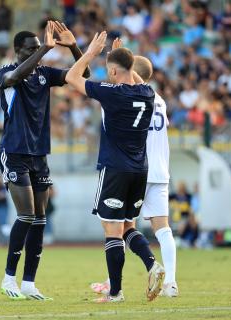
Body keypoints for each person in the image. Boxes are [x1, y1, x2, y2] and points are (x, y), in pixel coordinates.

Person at [65, 32, 164, 303]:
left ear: (112, 70)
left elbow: (72, 78)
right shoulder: (148, 92)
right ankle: (152, 264)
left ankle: (116, 293)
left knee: (111, 231)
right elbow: (133, 74)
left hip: (115, 168)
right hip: (139, 170)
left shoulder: (112, 93)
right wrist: (121, 57)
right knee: (128, 227)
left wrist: (91, 51)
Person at [0, 21, 89, 300]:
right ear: (17, 50)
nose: (38, 53)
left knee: (39, 219)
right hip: (14, 152)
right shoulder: (6, 72)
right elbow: (14, 77)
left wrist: (73, 45)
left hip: (39, 154)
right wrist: (46, 50)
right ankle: (8, 279)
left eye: (39, 48)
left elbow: (82, 74)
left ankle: (28, 283)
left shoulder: (45, 74)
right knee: (25, 215)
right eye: (31, 49)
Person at [90, 48, 178, 298]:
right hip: (157, 169)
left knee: (117, 227)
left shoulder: (118, 96)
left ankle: (115, 286)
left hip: (129, 165)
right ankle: (170, 282)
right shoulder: (155, 97)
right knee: (160, 229)